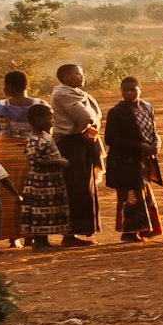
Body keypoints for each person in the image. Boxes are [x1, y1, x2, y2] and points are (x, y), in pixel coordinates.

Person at [49, 64, 104, 246]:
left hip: (82, 143)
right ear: (65, 77)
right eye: (78, 74)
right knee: (75, 187)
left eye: (82, 73)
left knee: (84, 186)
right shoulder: (62, 94)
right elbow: (85, 117)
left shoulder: (79, 94)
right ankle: (69, 234)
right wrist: (92, 124)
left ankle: (79, 230)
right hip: (70, 145)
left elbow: (94, 117)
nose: (82, 77)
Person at [0, 70, 41, 245]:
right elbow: (46, 130)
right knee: (31, 193)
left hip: (5, 153)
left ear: (8, 86)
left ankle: (12, 237)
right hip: (30, 152)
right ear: (27, 85)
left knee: (7, 196)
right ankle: (30, 236)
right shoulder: (40, 105)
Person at [104, 76, 162, 242]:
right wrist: (139, 146)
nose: (129, 93)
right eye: (125, 90)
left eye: (132, 90)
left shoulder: (147, 107)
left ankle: (144, 230)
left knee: (143, 193)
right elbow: (111, 139)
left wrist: (157, 143)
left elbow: (153, 130)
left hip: (143, 160)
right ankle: (129, 232)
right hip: (124, 161)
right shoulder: (117, 112)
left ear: (140, 89)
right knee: (130, 196)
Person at [21, 102, 71, 246]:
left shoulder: (45, 136)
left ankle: (44, 242)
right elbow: (34, 161)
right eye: (49, 118)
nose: (52, 121)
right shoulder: (34, 139)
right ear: (38, 120)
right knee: (39, 212)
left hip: (49, 183)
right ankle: (40, 242)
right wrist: (57, 161)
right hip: (40, 184)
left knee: (46, 212)